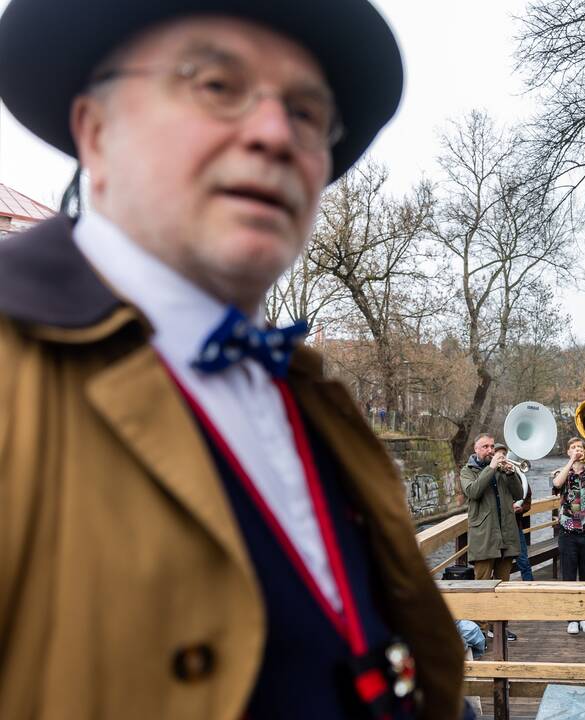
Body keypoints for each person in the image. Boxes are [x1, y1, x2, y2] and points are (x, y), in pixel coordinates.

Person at [0, 3, 468, 719]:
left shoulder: (313, 395)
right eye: (217, 85)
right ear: (95, 132)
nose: (277, 134)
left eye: (309, 114)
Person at [460, 438, 524, 640]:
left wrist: (512, 473)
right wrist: (492, 467)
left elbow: (519, 493)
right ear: (476, 449)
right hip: (484, 536)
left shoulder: (502, 469)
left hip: (505, 534)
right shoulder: (467, 471)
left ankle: (501, 627)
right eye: (485, 447)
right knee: (482, 585)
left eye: (492, 446)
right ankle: (481, 629)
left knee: (503, 586)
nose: (490, 450)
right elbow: (473, 491)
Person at [553, 436, 585, 635]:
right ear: (568, 451)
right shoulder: (562, 472)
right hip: (568, 532)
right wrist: (571, 462)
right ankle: (572, 617)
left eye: (580, 447)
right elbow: (557, 484)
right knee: (568, 576)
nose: (577, 450)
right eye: (573, 447)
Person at [512, 463, 535, 582]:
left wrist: (522, 508)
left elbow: (527, 499)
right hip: (496, 528)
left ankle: (529, 587)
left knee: (523, 561)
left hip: (515, 526)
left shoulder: (519, 477)